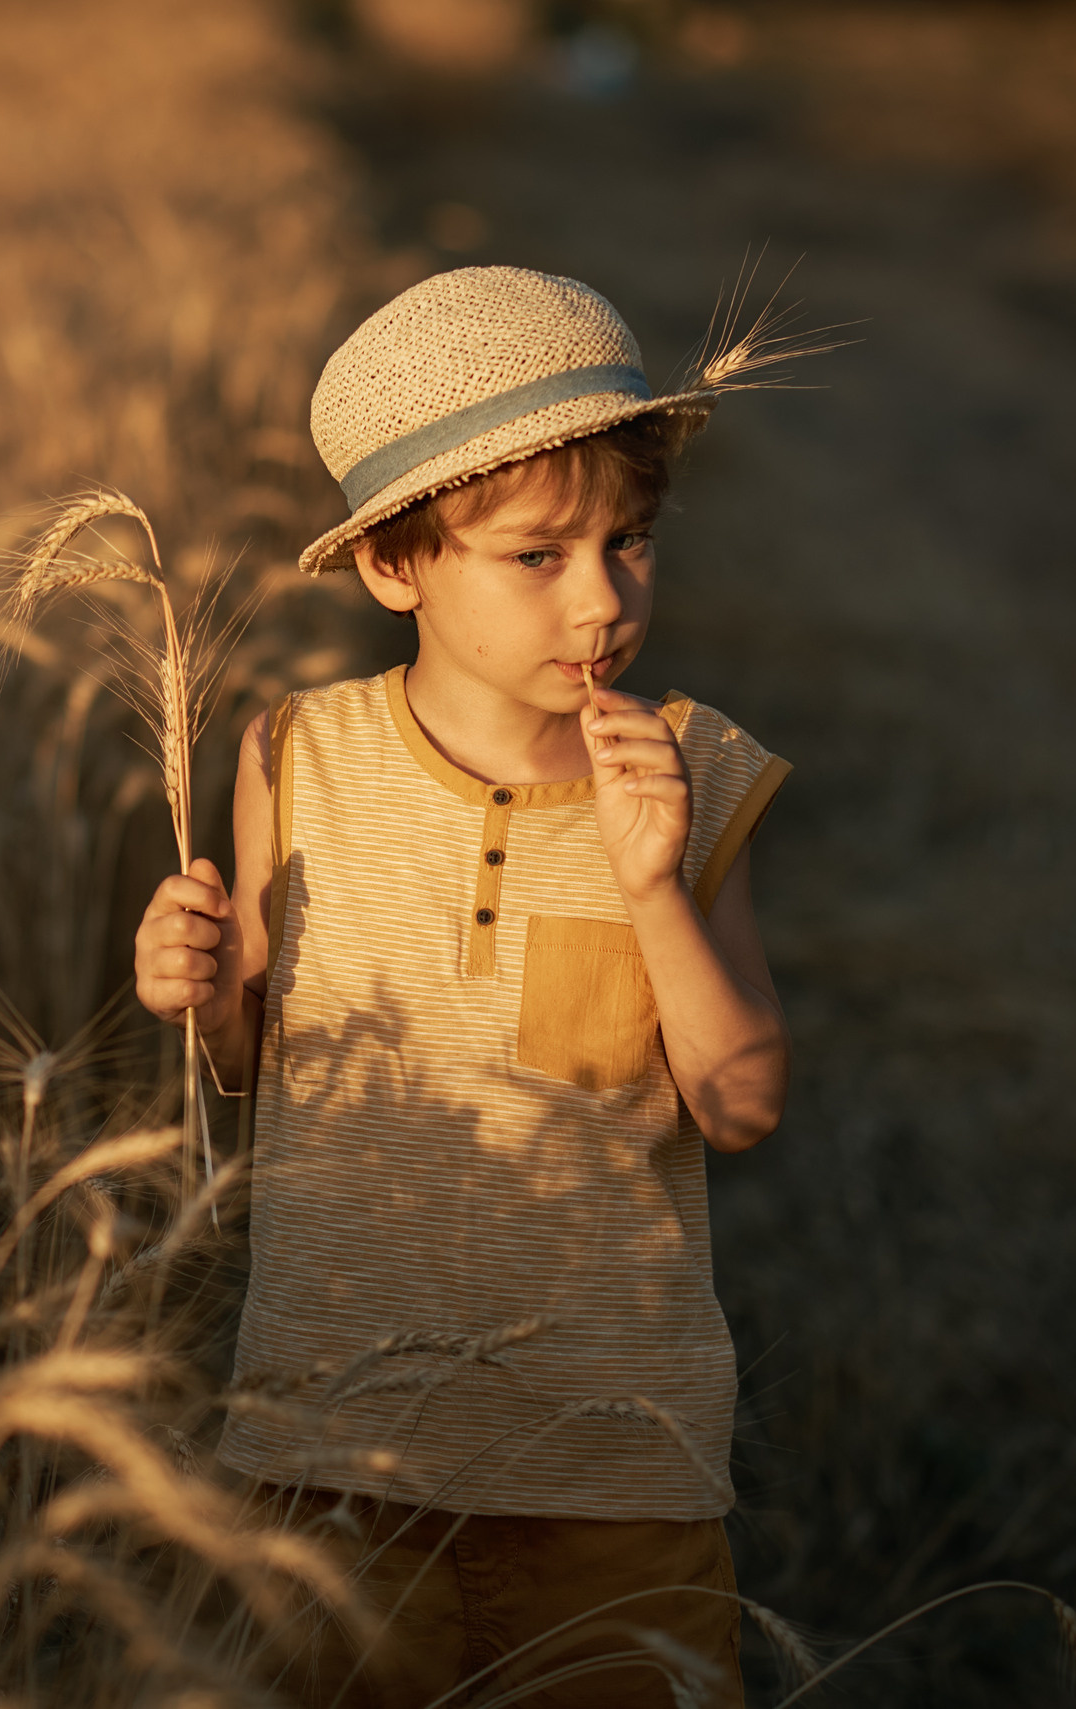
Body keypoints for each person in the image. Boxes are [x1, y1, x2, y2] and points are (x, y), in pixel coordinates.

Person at [133, 266, 795, 1708]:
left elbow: (740, 1103)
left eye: (632, 541)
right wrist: (198, 986)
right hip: (335, 1455)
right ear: (394, 563)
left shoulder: (697, 764)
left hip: (614, 1475)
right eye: (537, 557)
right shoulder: (292, 759)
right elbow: (255, 1060)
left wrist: (651, 885)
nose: (604, 597)